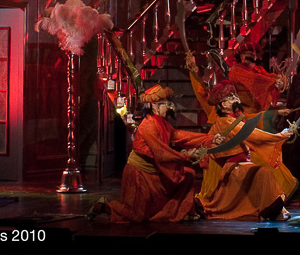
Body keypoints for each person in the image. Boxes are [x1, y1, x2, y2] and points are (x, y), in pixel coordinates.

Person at [187, 60, 296, 220]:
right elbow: (251, 134)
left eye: (234, 95)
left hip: (241, 163)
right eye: (231, 97)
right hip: (232, 165)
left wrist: (276, 114)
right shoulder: (225, 121)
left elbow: (251, 122)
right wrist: (280, 136)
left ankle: (272, 209)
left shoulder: (234, 118)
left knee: (261, 175)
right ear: (223, 104)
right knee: (264, 173)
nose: (235, 98)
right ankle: (271, 211)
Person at [88, 84, 211, 223]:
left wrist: (209, 139)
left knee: (188, 175)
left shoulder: (161, 123)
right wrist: (186, 156)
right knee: (136, 216)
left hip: (153, 173)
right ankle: (105, 207)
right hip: (139, 175)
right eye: (166, 104)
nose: (169, 107)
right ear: (155, 106)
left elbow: (179, 136)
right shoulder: (148, 125)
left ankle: (183, 211)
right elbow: (161, 153)